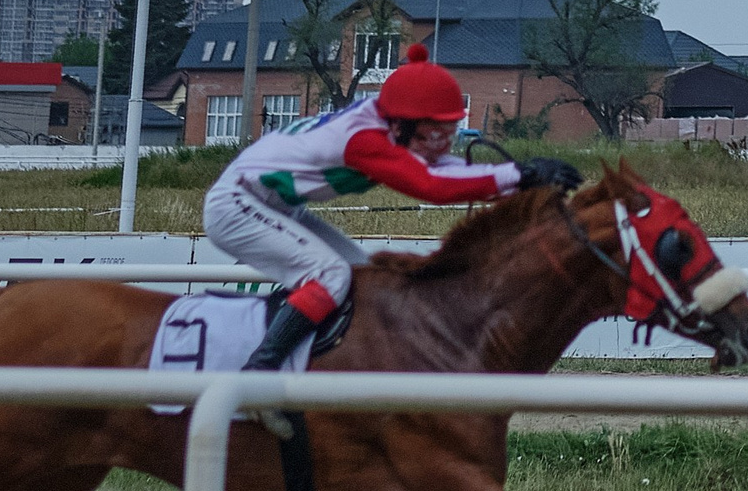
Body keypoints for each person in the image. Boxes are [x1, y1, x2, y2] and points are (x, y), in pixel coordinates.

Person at [203, 43, 582, 375]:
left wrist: (521, 183)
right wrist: (518, 174)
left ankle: (325, 370)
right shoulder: (364, 139)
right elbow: (429, 185)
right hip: (236, 206)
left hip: (276, 207)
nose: (443, 142)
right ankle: (258, 373)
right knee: (332, 275)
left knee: (362, 278)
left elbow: (447, 171)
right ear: (400, 125)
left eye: (449, 130)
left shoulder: (389, 123)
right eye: (435, 131)